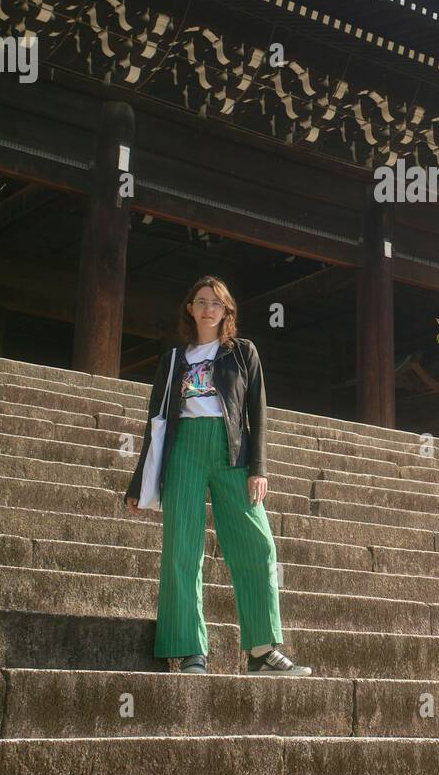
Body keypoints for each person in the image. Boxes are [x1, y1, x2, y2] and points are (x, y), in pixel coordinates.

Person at [123, 276, 312, 677]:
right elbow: (155, 420)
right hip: (184, 452)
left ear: (227, 311)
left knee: (257, 544)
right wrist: (140, 483)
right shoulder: (173, 359)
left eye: (217, 302)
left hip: (232, 453)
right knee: (182, 548)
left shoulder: (242, 353)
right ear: (190, 309)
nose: (208, 308)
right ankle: (190, 649)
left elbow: (257, 413)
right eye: (201, 301)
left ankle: (262, 651)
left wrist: (259, 468)